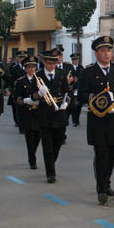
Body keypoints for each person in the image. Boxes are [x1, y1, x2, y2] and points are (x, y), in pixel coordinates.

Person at [80, 37, 114, 204]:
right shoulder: (88, 72)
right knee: (101, 154)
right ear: (96, 53)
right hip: (98, 121)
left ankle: (107, 181)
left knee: (113, 154)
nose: (107, 53)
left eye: (109, 50)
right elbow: (81, 95)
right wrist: (98, 100)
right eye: (103, 50)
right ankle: (101, 189)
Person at [35, 50, 71, 183]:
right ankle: (50, 173)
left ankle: (51, 162)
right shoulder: (37, 76)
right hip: (45, 113)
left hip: (60, 112)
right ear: (44, 62)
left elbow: (68, 92)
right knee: (47, 145)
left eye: (53, 63)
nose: (51, 66)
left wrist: (66, 103)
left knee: (58, 141)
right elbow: (33, 95)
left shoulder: (62, 74)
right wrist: (39, 94)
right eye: (49, 63)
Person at [13, 55, 41, 170]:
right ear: (25, 68)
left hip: (39, 113)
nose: (31, 69)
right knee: (30, 138)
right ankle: (32, 160)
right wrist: (25, 100)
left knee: (38, 137)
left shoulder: (39, 80)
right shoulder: (21, 81)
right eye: (29, 67)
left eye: (33, 67)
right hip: (27, 113)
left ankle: (32, 153)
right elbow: (16, 98)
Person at [8, 51, 26, 130]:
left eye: (24, 57)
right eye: (21, 57)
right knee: (16, 108)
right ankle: (18, 122)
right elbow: (11, 80)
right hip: (17, 90)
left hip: (26, 91)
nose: (22, 59)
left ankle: (23, 123)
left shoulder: (28, 67)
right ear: (17, 58)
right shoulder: (14, 68)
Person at [66, 52, 83, 126]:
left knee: (78, 106)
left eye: (77, 60)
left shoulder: (81, 67)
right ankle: (71, 120)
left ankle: (76, 120)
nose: (75, 61)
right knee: (71, 106)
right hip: (71, 89)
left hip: (79, 89)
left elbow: (82, 78)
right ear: (72, 60)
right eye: (74, 60)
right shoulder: (68, 67)